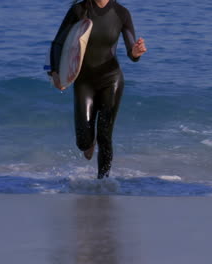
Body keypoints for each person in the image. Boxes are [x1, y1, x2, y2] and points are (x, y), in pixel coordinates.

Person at [48, 0, 147, 179]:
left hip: (111, 79)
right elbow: (58, 42)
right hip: (83, 81)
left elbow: (131, 48)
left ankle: (103, 182)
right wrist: (55, 72)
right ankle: (89, 143)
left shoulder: (121, 13)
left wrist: (135, 52)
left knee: (105, 135)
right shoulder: (79, 10)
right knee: (83, 142)